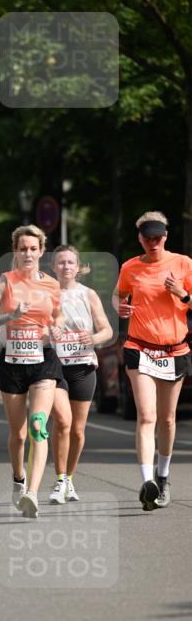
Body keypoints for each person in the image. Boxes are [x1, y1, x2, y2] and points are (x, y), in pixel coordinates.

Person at [0, 224, 63, 519]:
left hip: (43, 361)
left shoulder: (52, 285)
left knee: (39, 424)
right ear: (15, 251)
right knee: (19, 434)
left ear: (41, 251)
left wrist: (57, 328)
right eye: (22, 248)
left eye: (33, 248)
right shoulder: (5, 281)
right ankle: (18, 479)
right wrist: (11, 315)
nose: (28, 253)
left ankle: (32, 493)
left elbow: (59, 318)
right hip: (12, 363)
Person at [112, 212, 192, 510]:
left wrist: (182, 293)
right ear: (140, 238)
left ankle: (163, 476)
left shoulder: (183, 264)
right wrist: (119, 307)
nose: (153, 243)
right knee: (147, 416)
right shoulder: (130, 267)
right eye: (148, 238)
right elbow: (118, 296)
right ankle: (147, 482)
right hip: (140, 347)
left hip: (175, 350)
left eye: (158, 238)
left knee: (168, 420)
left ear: (166, 236)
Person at [49, 246, 113, 503]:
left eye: (70, 262)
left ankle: (70, 479)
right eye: (61, 263)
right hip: (54, 367)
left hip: (84, 366)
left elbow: (107, 329)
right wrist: (49, 332)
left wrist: (94, 338)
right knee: (62, 423)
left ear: (77, 267)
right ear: (53, 267)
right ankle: (60, 479)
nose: (66, 267)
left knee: (77, 429)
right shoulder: (47, 294)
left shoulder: (88, 295)